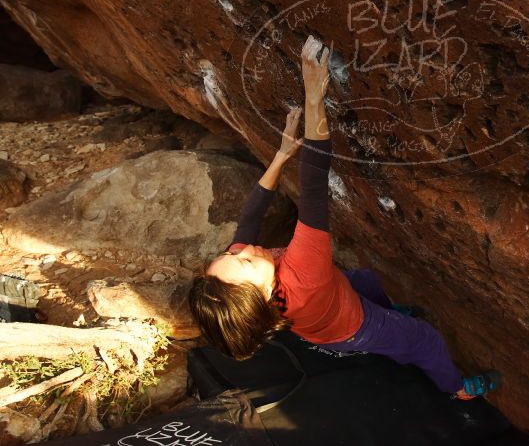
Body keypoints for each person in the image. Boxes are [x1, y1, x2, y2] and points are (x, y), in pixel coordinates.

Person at [189, 35, 500, 400]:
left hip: (329, 308)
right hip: (354, 326)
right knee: (422, 338)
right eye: (243, 261)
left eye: (230, 255)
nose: (245, 249)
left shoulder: (247, 283)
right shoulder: (303, 276)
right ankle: (457, 388)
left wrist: (282, 153)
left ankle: (393, 311)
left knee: (366, 280)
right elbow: (314, 186)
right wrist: (313, 96)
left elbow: (250, 218)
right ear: (261, 294)